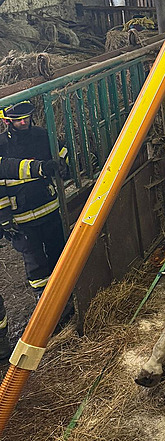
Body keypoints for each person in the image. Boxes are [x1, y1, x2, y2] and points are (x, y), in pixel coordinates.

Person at [0, 100, 74, 357]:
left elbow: (61, 152)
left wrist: (63, 164)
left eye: (27, 118)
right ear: (6, 121)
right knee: (36, 266)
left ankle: (66, 305)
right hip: (21, 220)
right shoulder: (1, 144)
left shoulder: (43, 135)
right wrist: (4, 217)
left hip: (49, 208)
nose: (25, 122)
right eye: (19, 120)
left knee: (58, 254)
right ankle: (45, 311)